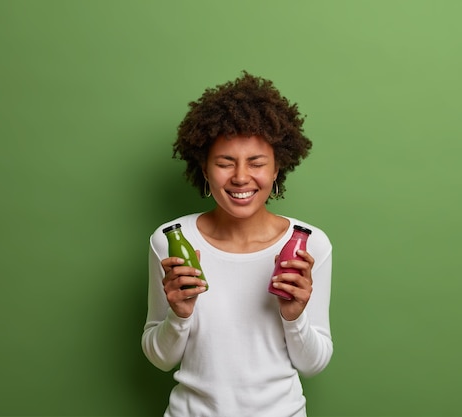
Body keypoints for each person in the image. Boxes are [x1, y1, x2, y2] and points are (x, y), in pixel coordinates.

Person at [142, 72, 333, 417]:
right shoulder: (171, 240)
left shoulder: (309, 244)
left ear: (277, 168)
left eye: (257, 162)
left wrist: (295, 317)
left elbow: (314, 364)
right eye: (225, 162)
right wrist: (179, 315)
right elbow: (159, 357)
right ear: (204, 168)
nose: (241, 177)